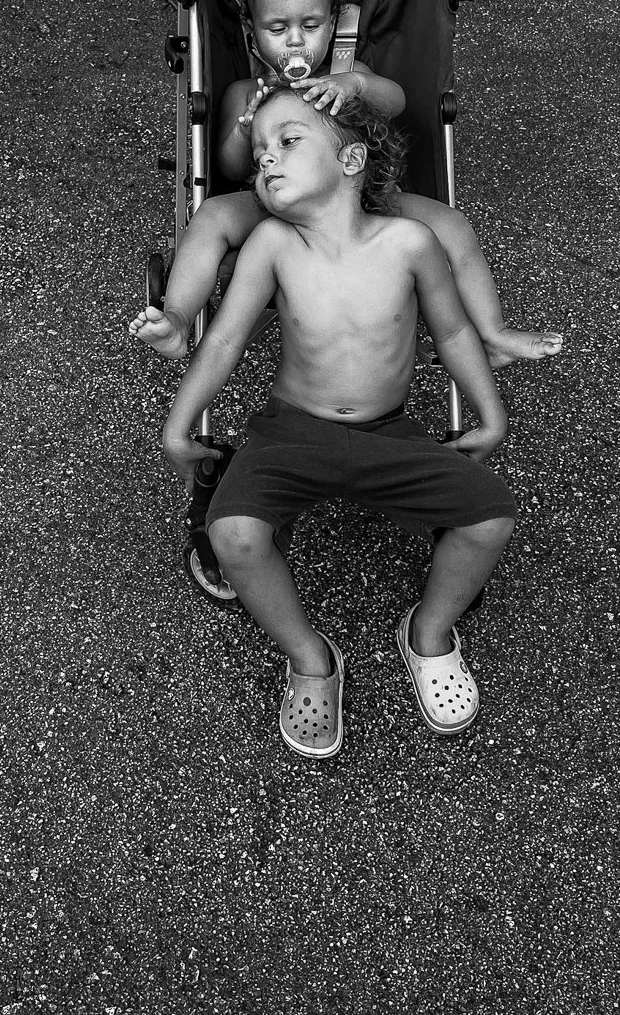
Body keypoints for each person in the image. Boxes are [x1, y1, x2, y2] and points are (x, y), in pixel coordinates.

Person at [160, 86, 517, 758]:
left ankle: (430, 634)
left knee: (491, 518)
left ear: (351, 161)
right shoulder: (270, 244)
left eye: (288, 141)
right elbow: (226, 342)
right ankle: (310, 658)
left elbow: (455, 334)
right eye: (260, 150)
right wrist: (178, 426)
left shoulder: (411, 242)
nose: (266, 159)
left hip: (389, 433)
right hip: (290, 430)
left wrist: (490, 416)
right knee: (233, 534)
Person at [129, 0, 561, 368]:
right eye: (277, 29)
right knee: (211, 217)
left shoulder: (346, 73)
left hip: (361, 202)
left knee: (450, 224)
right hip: (274, 204)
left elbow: (397, 102)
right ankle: (178, 319)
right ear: (252, 33)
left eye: (311, 26)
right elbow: (226, 166)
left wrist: (355, 86)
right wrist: (245, 131)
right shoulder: (246, 91)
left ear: (333, 24)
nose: (296, 42)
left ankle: (492, 332)